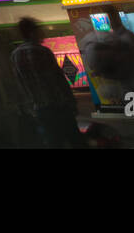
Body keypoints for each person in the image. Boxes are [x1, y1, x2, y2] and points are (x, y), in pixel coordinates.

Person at [10, 17, 83, 148]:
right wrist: (71, 102)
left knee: (53, 141)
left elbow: (19, 83)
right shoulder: (42, 51)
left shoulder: (15, 55)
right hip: (58, 104)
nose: (42, 33)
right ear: (32, 32)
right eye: (39, 30)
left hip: (39, 107)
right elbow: (58, 79)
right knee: (75, 140)